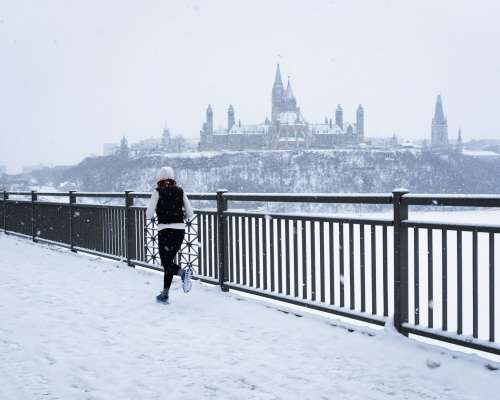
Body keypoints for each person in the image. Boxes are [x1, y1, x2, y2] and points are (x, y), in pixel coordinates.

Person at [146, 166, 194, 303]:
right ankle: (165, 294)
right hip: (179, 231)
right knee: (169, 263)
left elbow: (148, 215)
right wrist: (177, 217)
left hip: (165, 232)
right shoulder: (180, 191)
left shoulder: (157, 192)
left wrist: (161, 212)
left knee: (166, 263)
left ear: (159, 179)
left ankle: (182, 273)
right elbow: (190, 213)